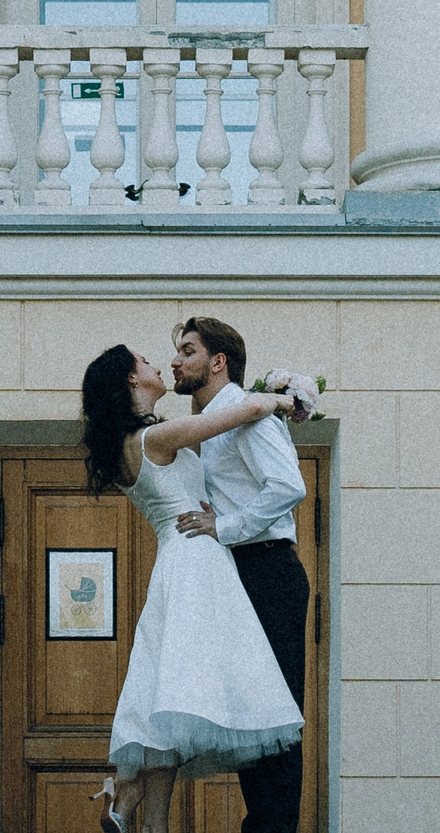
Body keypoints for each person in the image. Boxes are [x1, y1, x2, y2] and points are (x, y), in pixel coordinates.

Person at [79, 343, 302, 833]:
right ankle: (130, 792)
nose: (158, 364)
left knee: (171, 693)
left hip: (178, 563)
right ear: (131, 382)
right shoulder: (156, 439)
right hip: (196, 559)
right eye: (145, 361)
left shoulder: (135, 440)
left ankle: (134, 801)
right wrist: (285, 399)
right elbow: (244, 411)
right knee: (185, 690)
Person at [169, 316, 309, 833]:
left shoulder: (250, 417)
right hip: (242, 574)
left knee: (277, 713)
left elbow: (288, 486)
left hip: (268, 570)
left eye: (187, 351)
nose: (176, 361)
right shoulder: (217, 421)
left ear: (218, 361)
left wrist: (222, 526)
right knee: (253, 710)